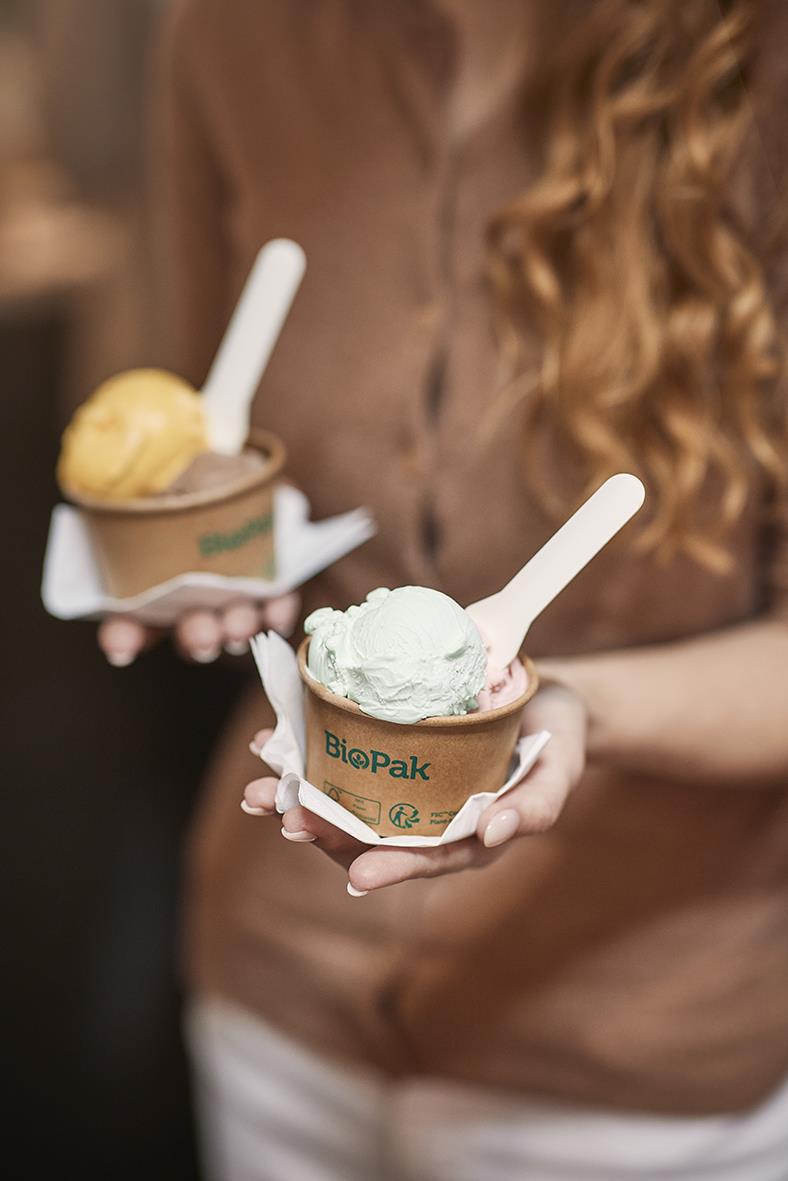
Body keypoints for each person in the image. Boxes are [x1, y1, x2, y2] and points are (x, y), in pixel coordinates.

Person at [100, 1, 788, 1177]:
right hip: (276, 990)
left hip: (639, 1057)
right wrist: (209, 554)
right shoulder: (228, 34)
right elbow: (220, 422)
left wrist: (572, 701)